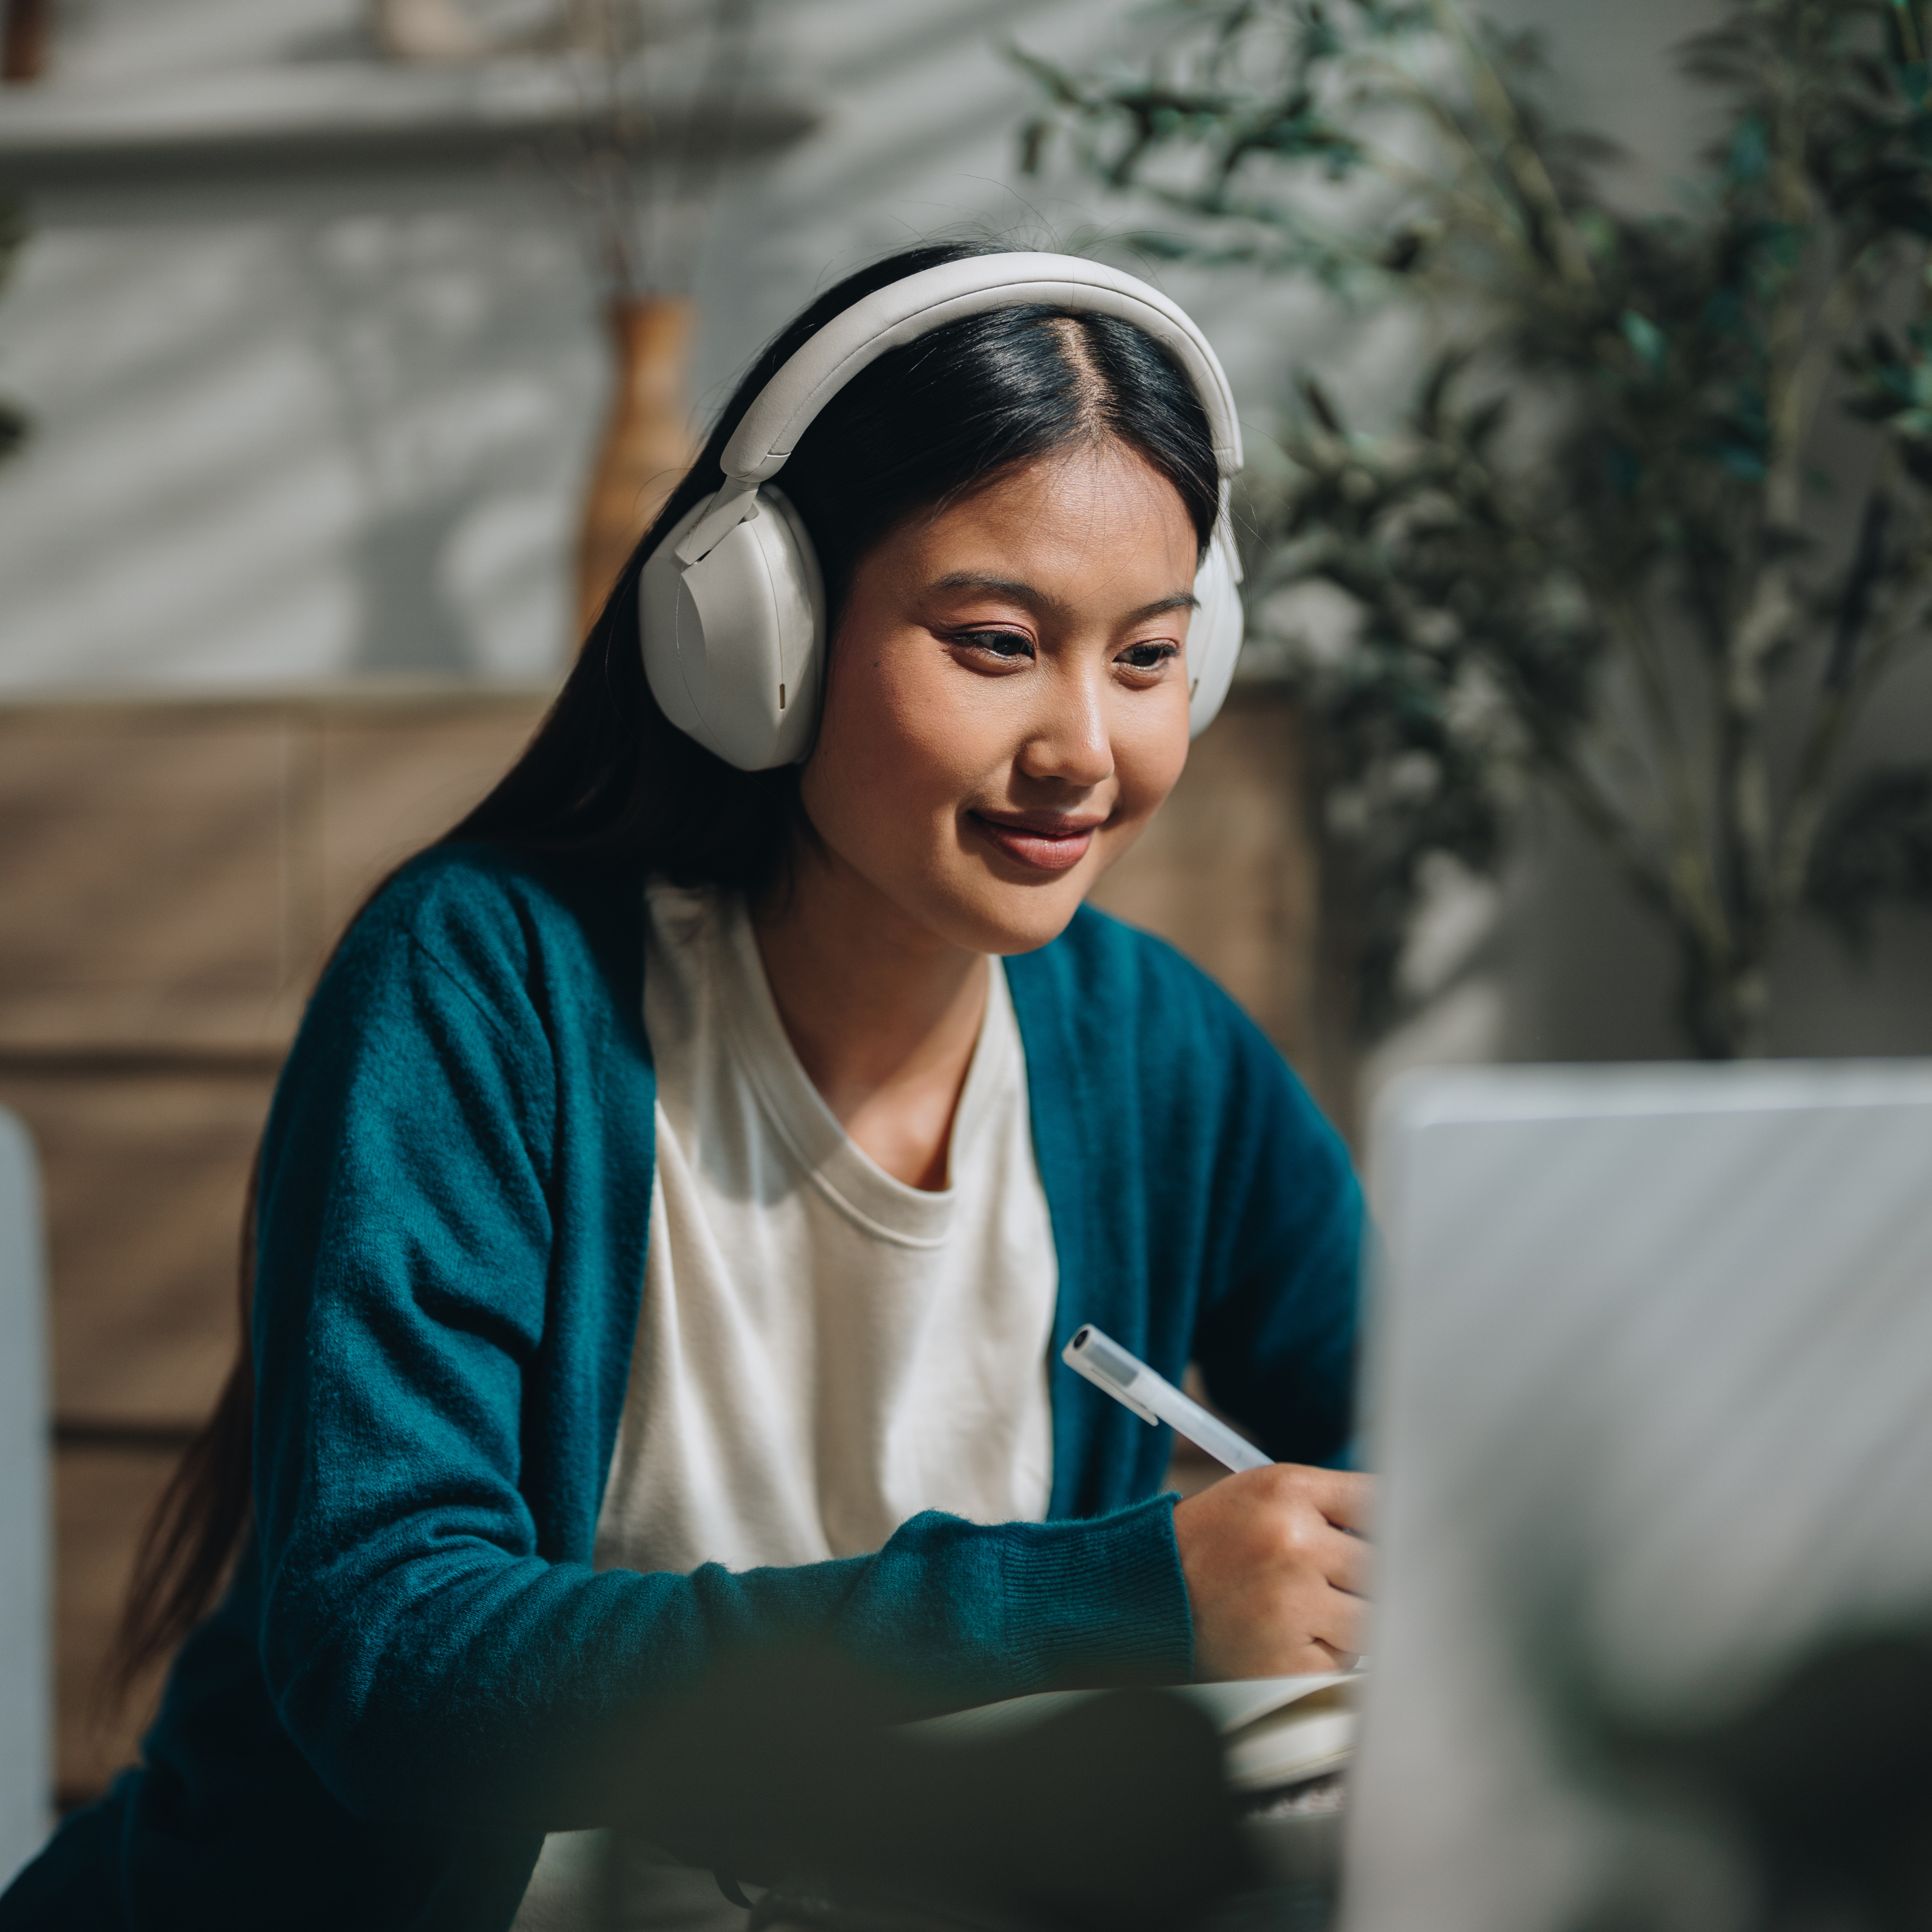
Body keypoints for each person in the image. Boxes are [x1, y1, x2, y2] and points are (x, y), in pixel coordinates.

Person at [0, 243, 1370, 1932]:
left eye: (1149, 655)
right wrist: (1106, 1598)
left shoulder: (1163, 1058)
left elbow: (1434, 1463)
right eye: (997, 640)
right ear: (763, 629)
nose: (1085, 744)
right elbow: (395, 1660)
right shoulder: (484, 985)